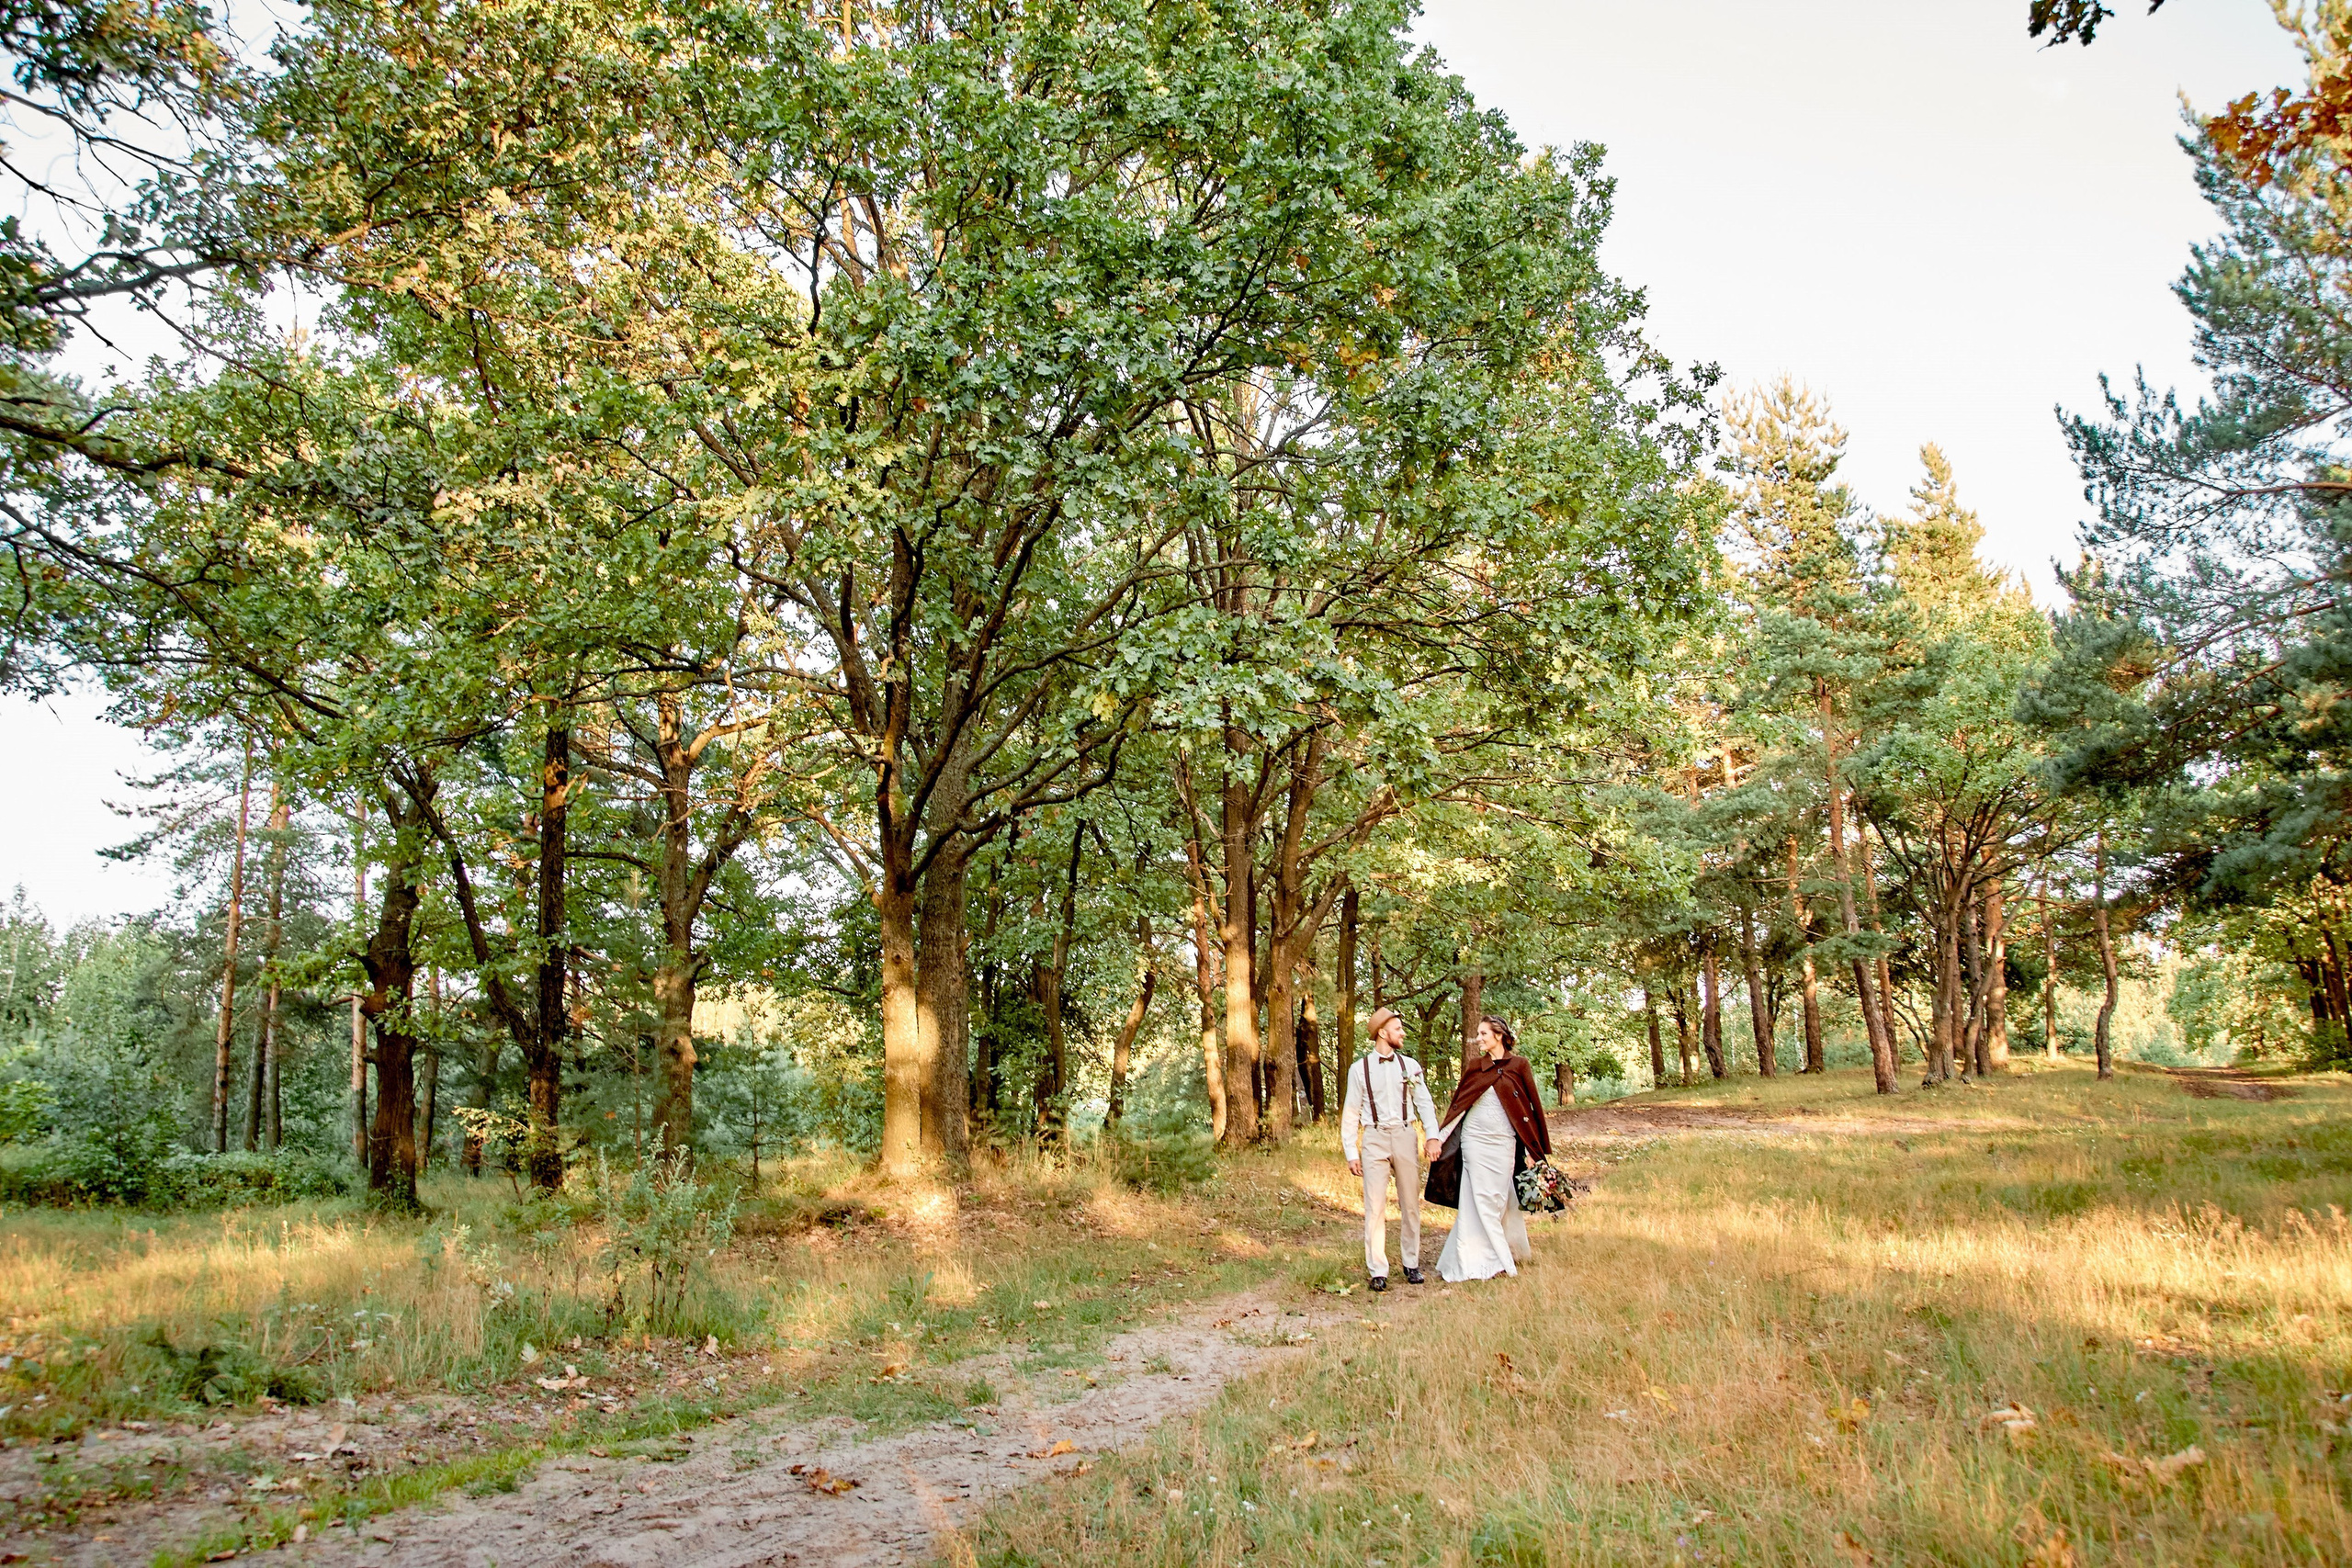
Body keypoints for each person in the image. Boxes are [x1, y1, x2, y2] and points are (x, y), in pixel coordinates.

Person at [1432, 1017, 1552, 1282]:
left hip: (1504, 1143)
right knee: (1480, 1198)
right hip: (1474, 1141)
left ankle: (1470, 1252)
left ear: (1499, 1035)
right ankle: (1496, 1260)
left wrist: (1534, 1149)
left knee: (1496, 1200)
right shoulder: (1476, 1067)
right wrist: (1438, 1138)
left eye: (1484, 1033)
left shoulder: (1519, 1066)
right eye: (1477, 1033)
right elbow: (1459, 1104)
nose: (1479, 1038)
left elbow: (1531, 1108)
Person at [1340, 1007, 1442, 1292]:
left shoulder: (1411, 1066)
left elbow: (1425, 1104)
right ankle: (1377, 1270)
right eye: (1398, 1029)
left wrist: (1431, 1137)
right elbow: (1350, 1113)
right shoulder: (1359, 1069)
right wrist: (1351, 1151)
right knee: (1375, 1206)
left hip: (1405, 1136)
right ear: (1383, 1033)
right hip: (1374, 1139)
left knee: (1410, 1204)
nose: (1403, 1033)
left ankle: (1411, 1264)